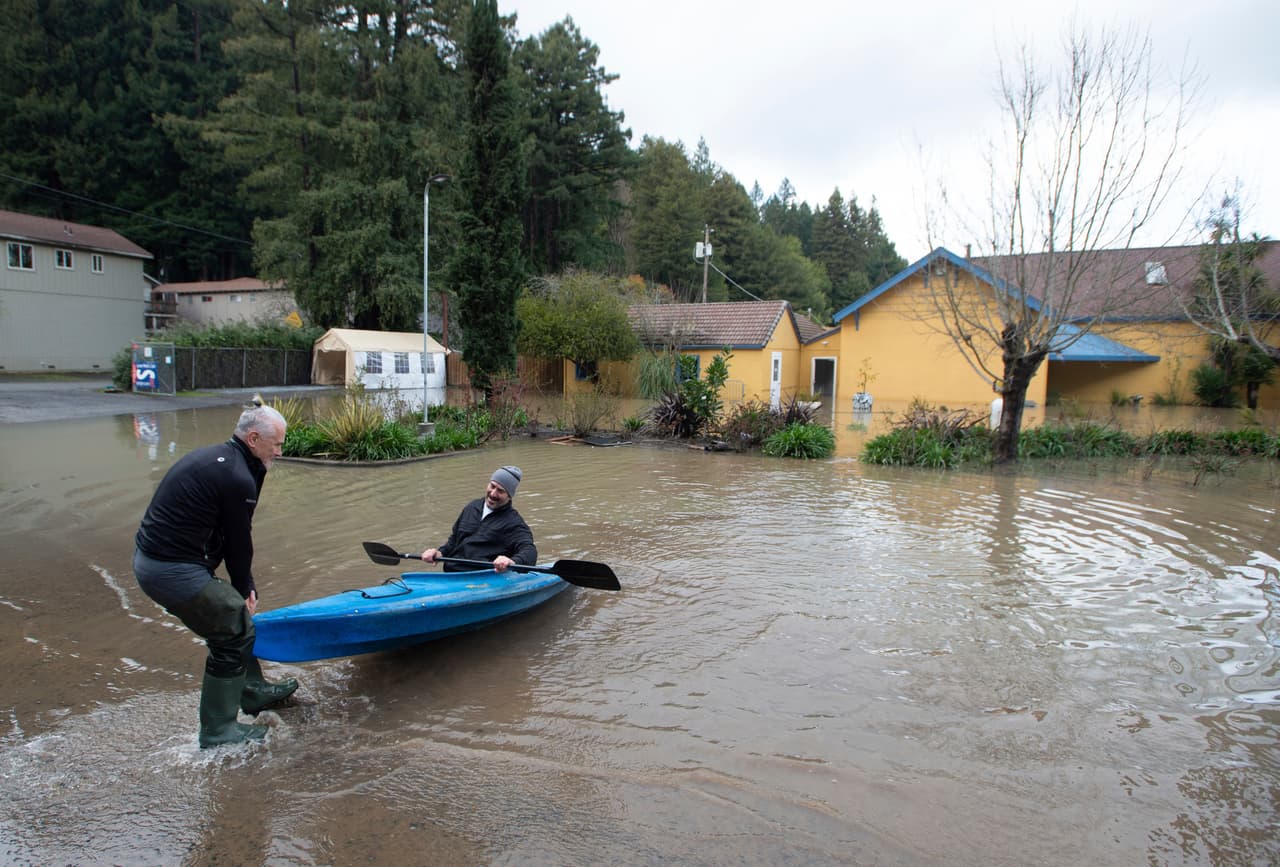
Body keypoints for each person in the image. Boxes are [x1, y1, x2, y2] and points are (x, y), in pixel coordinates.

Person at [133, 404, 298, 748]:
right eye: (276, 444)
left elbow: (230, 530)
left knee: (232, 617)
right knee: (233, 628)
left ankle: (253, 691)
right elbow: (240, 540)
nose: (280, 452)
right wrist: (244, 587)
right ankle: (218, 731)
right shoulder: (236, 475)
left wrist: (241, 589)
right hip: (170, 570)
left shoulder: (231, 461)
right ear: (253, 438)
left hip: (163, 562)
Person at [421, 465, 537, 573]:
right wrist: (439, 552)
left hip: (481, 578)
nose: (493, 493)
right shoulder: (472, 507)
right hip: (451, 574)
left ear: (509, 495)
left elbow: (530, 551)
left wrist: (511, 561)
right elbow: (454, 540)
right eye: (492, 486)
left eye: (500, 491)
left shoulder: (514, 523)